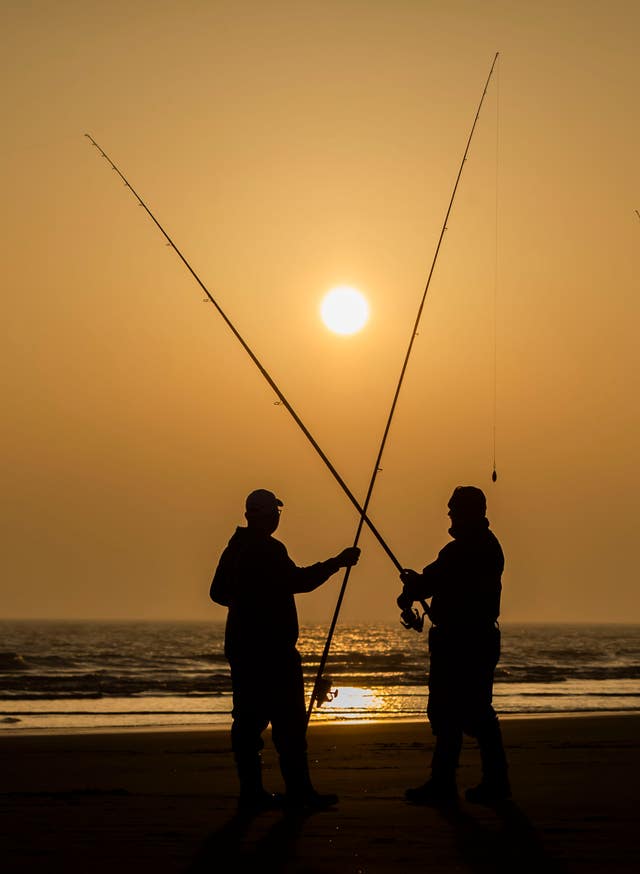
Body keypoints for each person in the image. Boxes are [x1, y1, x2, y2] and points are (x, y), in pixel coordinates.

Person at [210, 488, 360, 811]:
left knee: (248, 723)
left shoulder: (234, 548)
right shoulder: (269, 549)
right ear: (266, 516)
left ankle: (251, 794)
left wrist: (244, 603)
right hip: (273, 653)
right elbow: (299, 581)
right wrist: (337, 563)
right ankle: (299, 793)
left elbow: (217, 593)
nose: (278, 517)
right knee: (289, 724)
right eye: (275, 513)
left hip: (242, 650)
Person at [397, 485, 510, 805]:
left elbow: (429, 582)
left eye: (454, 509)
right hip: (476, 639)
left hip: (462, 642)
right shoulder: (487, 546)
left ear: (470, 512)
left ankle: (450, 784)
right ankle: (487, 782)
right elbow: (434, 581)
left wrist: (411, 586)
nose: (449, 514)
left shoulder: (463, 550)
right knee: (470, 711)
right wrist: (415, 586)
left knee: (456, 712)